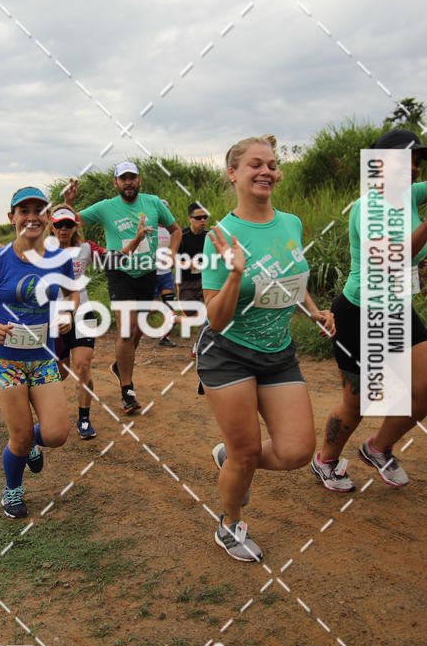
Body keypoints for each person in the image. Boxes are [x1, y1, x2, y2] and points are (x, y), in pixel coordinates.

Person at [197, 135, 334, 562]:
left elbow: (293, 278)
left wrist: (314, 310)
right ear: (233, 173)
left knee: (297, 451)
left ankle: (233, 460)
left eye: (272, 165)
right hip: (227, 352)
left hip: (278, 353)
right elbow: (215, 318)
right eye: (255, 164)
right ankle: (230, 523)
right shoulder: (220, 236)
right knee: (247, 452)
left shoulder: (291, 223)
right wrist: (235, 274)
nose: (266, 171)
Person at [311, 128, 427, 491]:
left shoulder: (409, 194)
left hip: (398, 310)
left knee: (425, 386)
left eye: (416, 162)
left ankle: (378, 448)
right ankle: (325, 461)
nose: (413, 168)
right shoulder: (368, 207)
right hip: (359, 314)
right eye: (405, 161)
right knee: (358, 402)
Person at [0, 187, 76, 518]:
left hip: (42, 357)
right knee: (18, 437)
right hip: (5, 359)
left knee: (56, 435)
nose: (32, 217)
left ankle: (31, 443)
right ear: (12, 217)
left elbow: (72, 294)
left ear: (47, 217)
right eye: (23, 210)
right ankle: (12, 490)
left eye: (38, 210)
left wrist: (67, 313)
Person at [64, 162, 182, 413]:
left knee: (138, 329)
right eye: (123, 178)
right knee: (127, 329)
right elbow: (71, 221)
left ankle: (120, 366)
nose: (128, 182)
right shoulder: (106, 207)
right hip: (119, 272)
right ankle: (127, 390)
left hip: (147, 273)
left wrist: (171, 253)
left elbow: (175, 230)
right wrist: (69, 202)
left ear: (139, 180)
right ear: (115, 182)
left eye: (132, 177)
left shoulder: (153, 203)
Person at [48, 204, 106, 439]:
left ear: (75, 227)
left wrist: (137, 242)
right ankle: (46, 411)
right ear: (52, 227)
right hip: (54, 317)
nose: (63, 228)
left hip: (83, 312)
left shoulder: (85, 248)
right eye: (59, 224)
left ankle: (84, 419)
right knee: (60, 372)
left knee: (82, 365)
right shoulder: (41, 251)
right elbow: (10, 254)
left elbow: (114, 257)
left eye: (68, 224)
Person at [177, 202, 209, 356]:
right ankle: (174, 319)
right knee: (195, 319)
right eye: (198, 218)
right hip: (186, 284)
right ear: (190, 219)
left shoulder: (209, 237)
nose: (202, 220)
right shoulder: (181, 237)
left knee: (208, 316)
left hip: (205, 282)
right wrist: (186, 264)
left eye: (205, 217)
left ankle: (198, 347)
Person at [155, 200, 178, 348]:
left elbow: (173, 249)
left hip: (166, 273)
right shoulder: (150, 229)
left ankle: (164, 336)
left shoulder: (172, 230)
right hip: (151, 273)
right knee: (150, 308)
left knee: (170, 307)